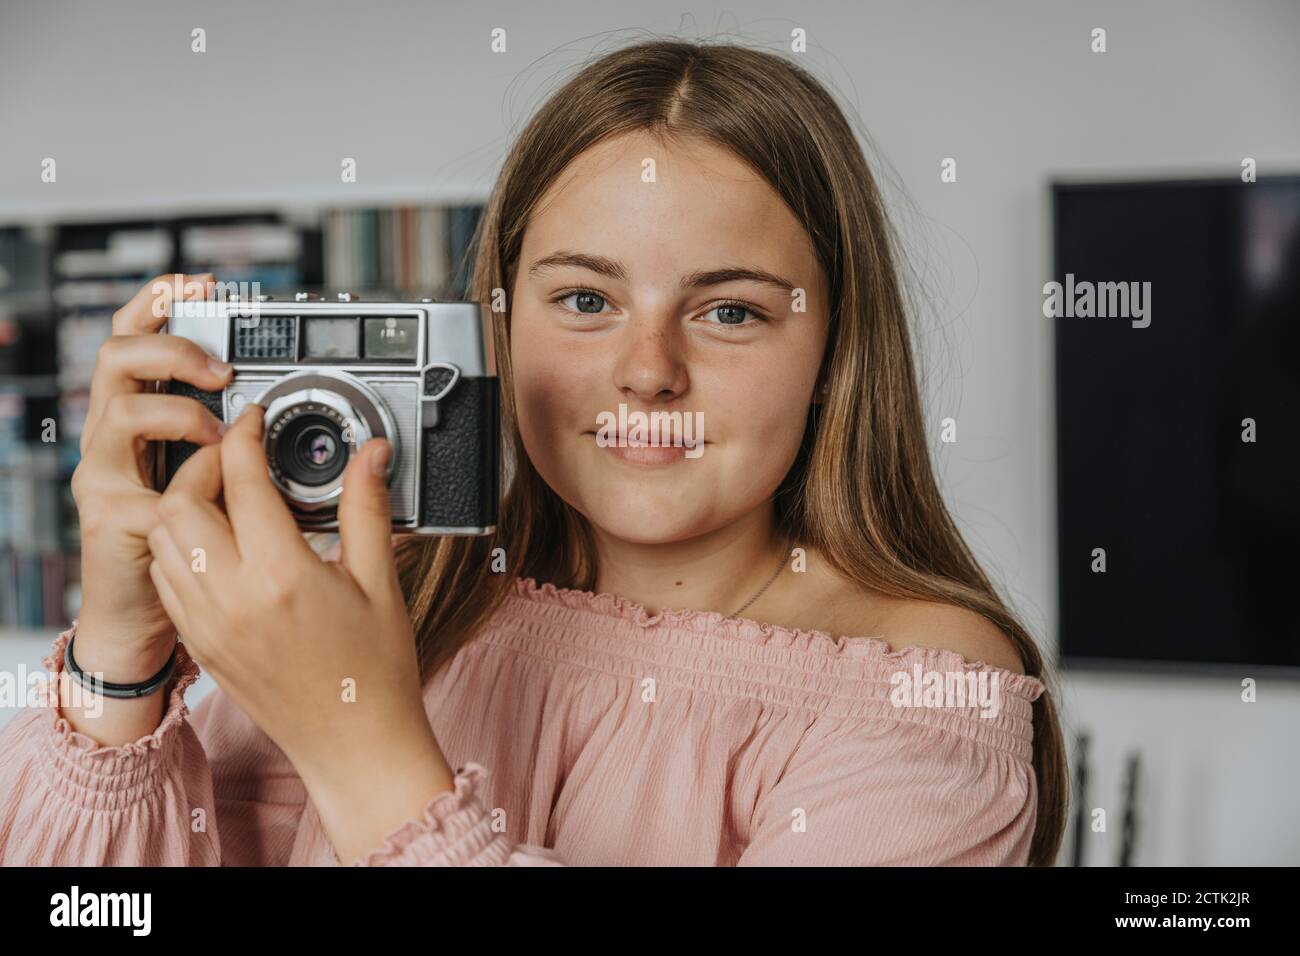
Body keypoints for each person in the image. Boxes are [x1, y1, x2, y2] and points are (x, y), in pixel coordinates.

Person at [0, 39, 1066, 866]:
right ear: (497, 326)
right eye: (586, 299)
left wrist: (360, 743)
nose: (647, 370)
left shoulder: (932, 691)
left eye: (730, 311)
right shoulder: (378, 600)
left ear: (836, 343)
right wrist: (119, 654)